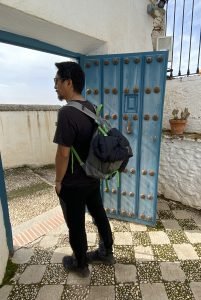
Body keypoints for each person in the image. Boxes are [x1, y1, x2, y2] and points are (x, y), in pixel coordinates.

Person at [53, 61, 115, 278]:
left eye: (57, 81)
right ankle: (106, 252)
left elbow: (63, 153)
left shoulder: (67, 113)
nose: (55, 86)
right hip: (92, 176)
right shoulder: (91, 108)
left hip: (73, 182)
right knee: (99, 213)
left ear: (68, 82)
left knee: (76, 223)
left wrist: (58, 181)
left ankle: (80, 263)